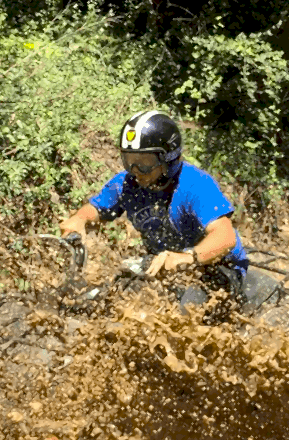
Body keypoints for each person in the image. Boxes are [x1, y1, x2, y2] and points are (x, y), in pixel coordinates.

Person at [60, 110, 249, 306]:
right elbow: (96, 209)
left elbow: (225, 237)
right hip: (163, 266)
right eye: (130, 161)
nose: (136, 170)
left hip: (219, 268)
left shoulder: (196, 185)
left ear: (168, 158)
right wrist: (79, 219)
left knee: (183, 312)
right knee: (107, 302)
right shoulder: (126, 184)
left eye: (145, 163)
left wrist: (187, 257)